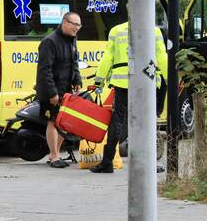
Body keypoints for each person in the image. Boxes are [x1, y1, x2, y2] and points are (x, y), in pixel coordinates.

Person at [90, 20, 168, 174]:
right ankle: (149, 163)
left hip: (122, 82)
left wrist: (99, 82)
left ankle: (107, 162)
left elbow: (107, 57)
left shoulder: (116, 30)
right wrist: (171, 79)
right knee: (146, 121)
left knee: (117, 121)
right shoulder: (154, 31)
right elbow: (162, 57)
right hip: (146, 83)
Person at [36, 11, 83, 168]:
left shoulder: (72, 40)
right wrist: (52, 93)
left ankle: (53, 154)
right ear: (65, 22)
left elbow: (74, 63)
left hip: (66, 89)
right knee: (52, 121)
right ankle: (54, 156)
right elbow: (45, 70)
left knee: (63, 122)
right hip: (51, 90)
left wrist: (77, 80)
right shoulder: (50, 42)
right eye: (75, 24)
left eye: (79, 25)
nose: (77, 28)